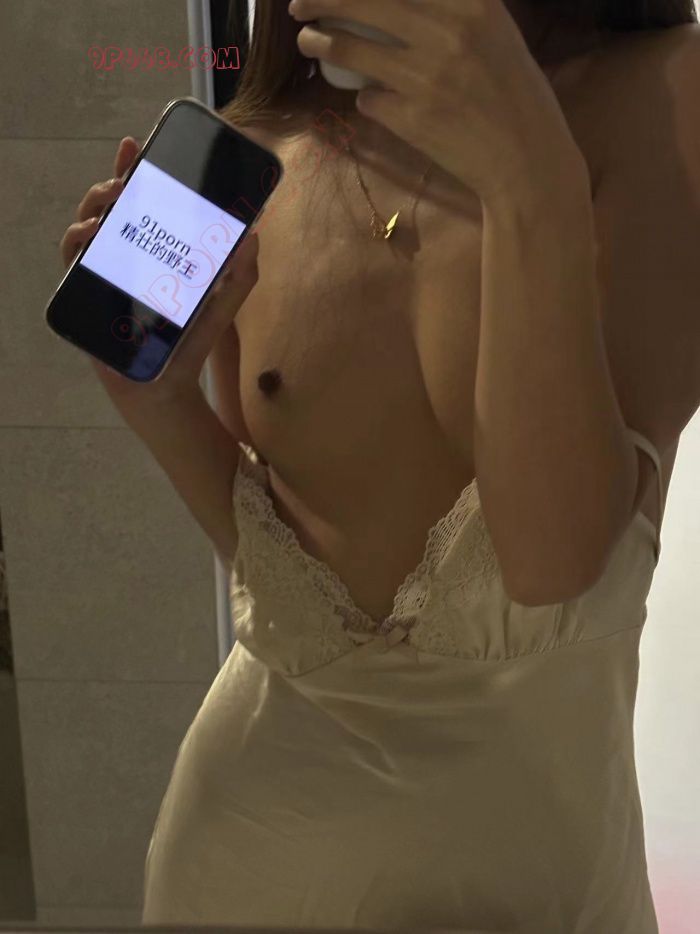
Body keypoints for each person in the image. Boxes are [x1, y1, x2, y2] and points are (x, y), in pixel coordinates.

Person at [61, 1, 700, 931]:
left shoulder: (664, 93)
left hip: (536, 886)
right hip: (245, 863)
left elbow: (554, 561)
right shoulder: (257, 150)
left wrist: (531, 177)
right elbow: (287, 585)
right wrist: (157, 406)